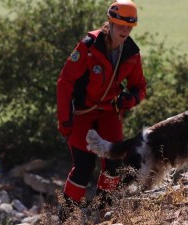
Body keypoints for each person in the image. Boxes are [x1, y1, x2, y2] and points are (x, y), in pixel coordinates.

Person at [56, 0, 146, 220]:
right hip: (82, 113)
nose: (125, 30)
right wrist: (64, 119)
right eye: (120, 25)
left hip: (109, 112)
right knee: (84, 166)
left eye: (129, 26)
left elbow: (139, 87)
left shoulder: (132, 53)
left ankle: (100, 213)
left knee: (114, 164)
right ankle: (65, 218)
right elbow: (65, 82)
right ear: (110, 23)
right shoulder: (88, 46)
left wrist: (130, 100)